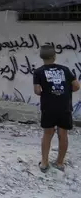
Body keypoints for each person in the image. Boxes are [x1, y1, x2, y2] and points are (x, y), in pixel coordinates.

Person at [33, 44, 80, 172]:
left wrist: (47, 91)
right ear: (54, 56)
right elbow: (76, 86)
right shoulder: (65, 69)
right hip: (64, 106)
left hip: (48, 107)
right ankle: (59, 163)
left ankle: (44, 162)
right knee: (63, 134)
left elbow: (37, 91)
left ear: (41, 57)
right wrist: (63, 91)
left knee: (47, 134)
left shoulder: (38, 72)